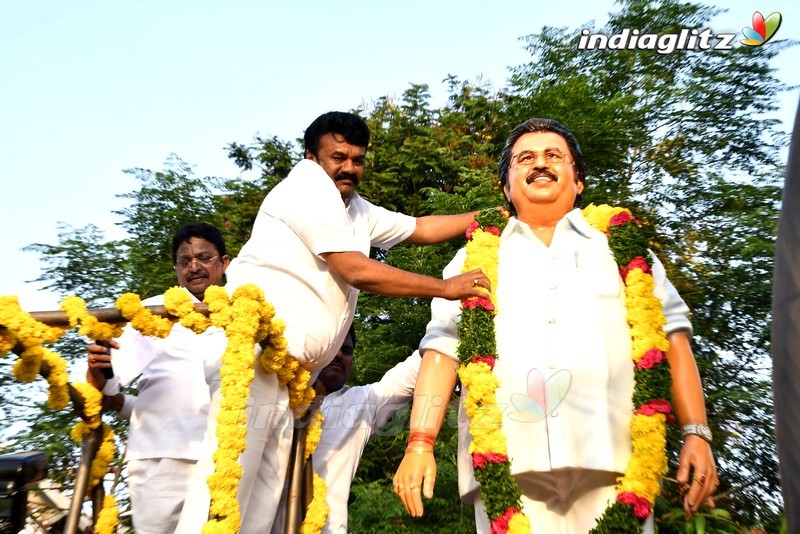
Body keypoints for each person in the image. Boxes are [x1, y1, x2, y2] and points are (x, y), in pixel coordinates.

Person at [393, 118, 719, 532]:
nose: (540, 165)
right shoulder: (469, 260)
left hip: (615, 462)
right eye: (524, 158)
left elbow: (672, 340)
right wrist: (419, 442)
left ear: (578, 180)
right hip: (506, 470)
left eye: (554, 156)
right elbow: (442, 351)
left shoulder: (624, 250)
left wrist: (697, 433)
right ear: (506, 188)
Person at [182, 111, 492, 533]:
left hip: (290, 379)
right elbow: (356, 270)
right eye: (338, 156)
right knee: (221, 493)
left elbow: (420, 228)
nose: (349, 167)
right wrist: (445, 286)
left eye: (358, 159)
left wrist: (493, 217)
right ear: (311, 157)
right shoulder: (306, 188)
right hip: (251, 358)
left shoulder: (355, 209)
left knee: (257, 510)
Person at [78, 222, 230, 534]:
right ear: (176, 268)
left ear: (224, 263)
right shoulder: (152, 313)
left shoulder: (244, 312)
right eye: (185, 261)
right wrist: (98, 369)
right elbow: (106, 386)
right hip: (159, 457)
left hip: (225, 459)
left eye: (205, 258)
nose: (195, 267)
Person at [273, 324, 422, 533]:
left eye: (347, 351)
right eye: (334, 348)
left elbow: (417, 367)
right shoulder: (274, 391)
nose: (340, 356)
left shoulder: (361, 403)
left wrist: (454, 314)